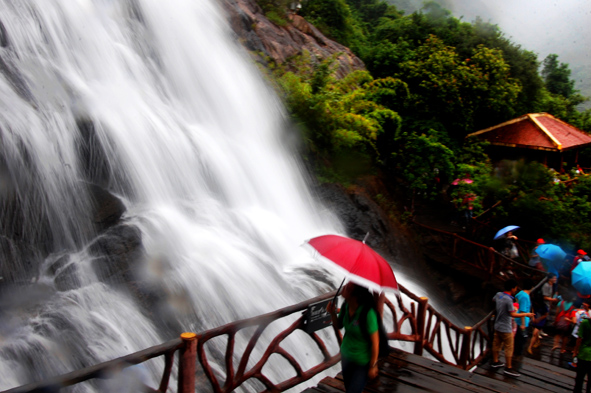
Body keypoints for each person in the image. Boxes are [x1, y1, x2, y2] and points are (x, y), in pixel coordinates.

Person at [328, 283, 379, 393]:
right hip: (346, 357)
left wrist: (373, 365)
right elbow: (339, 325)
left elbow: (375, 342)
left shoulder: (367, 313)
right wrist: (332, 313)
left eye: (348, 287)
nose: (344, 287)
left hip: (361, 363)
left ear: (355, 294)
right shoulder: (346, 306)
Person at [490, 279, 534, 377]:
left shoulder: (498, 295)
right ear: (512, 288)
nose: (516, 289)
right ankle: (508, 368)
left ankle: (495, 361)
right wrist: (527, 314)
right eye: (515, 288)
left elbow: (493, 301)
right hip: (506, 326)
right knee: (509, 347)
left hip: (497, 324)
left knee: (496, 344)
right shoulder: (509, 300)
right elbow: (512, 314)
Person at [514, 279, 534, 357]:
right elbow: (522, 311)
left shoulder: (521, 293)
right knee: (521, 338)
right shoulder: (525, 296)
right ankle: (517, 354)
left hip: (519, 317)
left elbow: (516, 298)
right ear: (531, 287)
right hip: (523, 320)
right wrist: (523, 324)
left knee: (518, 337)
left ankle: (516, 352)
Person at [573, 316, 591, 393]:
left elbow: (579, 339)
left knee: (579, 378)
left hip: (583, 354)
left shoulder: (585, 322)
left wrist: (575, 351)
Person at [528, 290, 549, 354]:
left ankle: (529, 347)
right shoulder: (534, 303)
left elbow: (546, 314)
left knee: (534, 333)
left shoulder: (544, 306)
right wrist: (533, 317)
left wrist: (539, 319)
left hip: (541, 320)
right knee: (535, 333)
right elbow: (533, 309)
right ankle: (538, 341)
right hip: (536, 318)